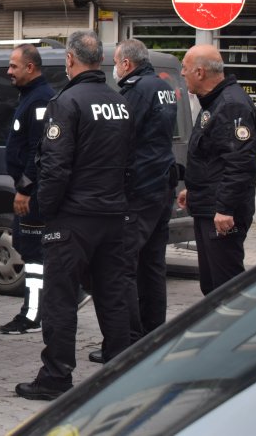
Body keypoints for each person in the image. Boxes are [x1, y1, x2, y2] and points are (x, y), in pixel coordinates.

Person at [16, 30, 134, 401]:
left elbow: (55, 166)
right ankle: (122, 369)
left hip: (73, 217)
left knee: (60, 298)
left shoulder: (66, 102)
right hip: (112, 214)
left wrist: (47, 212)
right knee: (113, 295)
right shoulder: (119, 102)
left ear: (70, 59)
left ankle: (55, 377)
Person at [89, 39, 177, 364]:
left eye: (115, 62)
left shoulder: (137, 91)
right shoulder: (162, 86)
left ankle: (126, 343)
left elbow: (122, 137)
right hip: (161, 185)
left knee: (122, 265)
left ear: (126, 64)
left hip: (140, 188)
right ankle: (155, 336)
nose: (114, 68)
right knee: (152, 264)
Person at [177, 44, 256, 296]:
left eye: (185, 68)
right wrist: (194, 190)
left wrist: (225, 208)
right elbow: (212, 157)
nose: (182, 73)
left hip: (221, 215)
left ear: (200, 72)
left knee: (227, 290)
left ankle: (239, 324)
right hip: (208, 206)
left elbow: (240, 163)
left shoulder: (231, 105)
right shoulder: (213, 102)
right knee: (212, 288)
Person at [0, 44, 56, 335]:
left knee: (34, 255)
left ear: (30, 67)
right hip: (28, 188)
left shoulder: (41, 99)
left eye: (13, 66)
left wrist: (25, 188)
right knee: (25, 245)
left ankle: (32, 316)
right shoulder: (29, 96)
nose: (8, 71)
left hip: (33, 191)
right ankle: (69, 294)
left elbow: (39, 149)